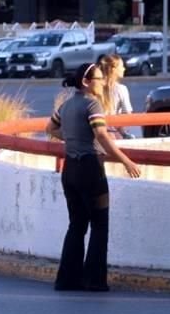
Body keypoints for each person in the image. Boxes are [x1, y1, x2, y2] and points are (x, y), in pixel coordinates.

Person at [45, 62, 141, 292]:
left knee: (77, 225)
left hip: (70, 170)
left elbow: (50, 128)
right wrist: (125, 160)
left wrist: (70, 138)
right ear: (86, 82)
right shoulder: (92, 104)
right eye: (98, 79)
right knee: (99, 224)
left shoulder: (66, 105)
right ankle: (94, 280)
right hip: (90, 168)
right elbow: (101, 135)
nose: (103, 82)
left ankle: (67, 279)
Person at [99, 54, 133, 139]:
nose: (124, 69)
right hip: (113, 134)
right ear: (113, 69)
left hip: (96, 132)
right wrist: (124, 134)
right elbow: (127, 115)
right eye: (121, 66)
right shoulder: (121, 89)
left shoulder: (96, 87)